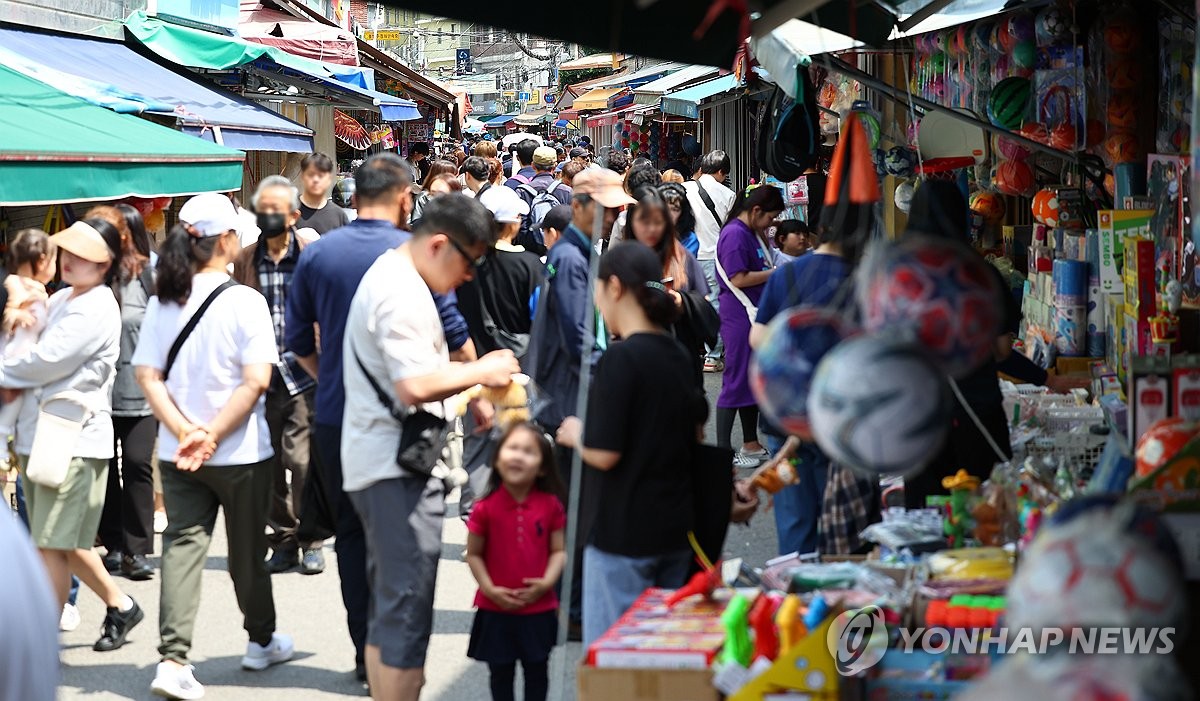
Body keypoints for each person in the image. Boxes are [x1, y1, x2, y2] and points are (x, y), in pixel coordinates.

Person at [285, 153, 472, 684]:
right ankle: (391, 659)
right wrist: (482, 386)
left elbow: (297, 340)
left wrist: (334, 379)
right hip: (400, 421)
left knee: (351, 535)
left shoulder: (318, 253)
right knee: (400, 549)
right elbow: (455, 334)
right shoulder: (416, 253)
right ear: (405, 198)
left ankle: (364, 650)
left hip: (334, 417)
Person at [341, 194, 519, 701]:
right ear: (440, 244)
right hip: (393, 470)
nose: (468, 278)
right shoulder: (400, 290)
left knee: (389, 609)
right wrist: (481, 372)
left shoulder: (396, 276)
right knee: (405, 612)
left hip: (382, 462)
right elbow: (413, 386)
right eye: (469, 263)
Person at [134, 194, 291, 699]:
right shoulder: (246, 301)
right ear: (226, 240)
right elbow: (256, 381)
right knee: (248, 552)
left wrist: (185, 431)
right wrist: (213, 434)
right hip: (241, 451)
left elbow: (147, 376)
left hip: (177, 451)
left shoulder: (163, 298)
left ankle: (172, 660)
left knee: (181, 547)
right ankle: (260, 640)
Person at [0, 219, 145, 652]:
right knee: (56, 538)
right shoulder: (62, 296)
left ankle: (41, 638)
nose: (72, 260)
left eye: (85, 257)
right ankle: (119, 604)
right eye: (68, 252)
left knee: (51, 541)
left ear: (105, 266)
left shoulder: (97, 305)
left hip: (73, 436)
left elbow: (46, 359)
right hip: (39, 434)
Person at [555, 242, 708, 646]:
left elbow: (605, 454)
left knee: (617, 657)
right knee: (661, 655)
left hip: (623, 533)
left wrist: (574, 433)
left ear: (616, 287)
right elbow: (696, 432)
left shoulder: (619, 360)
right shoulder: (676, 353)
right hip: (674, 526)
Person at [528, 168, 635, 639]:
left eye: (616, 210)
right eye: (606, 209)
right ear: (580, 208)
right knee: (577, 510)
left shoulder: (574, 252)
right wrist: (613, 384)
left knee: (574, 505)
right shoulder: (572, 257)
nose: (613, 217)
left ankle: (570, 606)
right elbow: (579, 339)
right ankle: (571, 611)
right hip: (573, 398)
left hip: (568, 394)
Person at [232, 176, 324, 576]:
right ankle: (282, 540)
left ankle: (310, 538)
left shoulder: (311, 255)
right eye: (262, 210)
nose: (268, 217)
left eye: (275, 210)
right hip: (259, 374)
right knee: (266, 463)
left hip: (303, 372)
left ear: (293, 215)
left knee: (301, 461)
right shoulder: (245, 259)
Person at [749, 214, 853, 556]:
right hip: (841, 418)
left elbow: (758, 337)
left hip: (786, 414)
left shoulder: (788, 273)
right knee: (840, 516)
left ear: (816, 234)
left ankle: (794, 597)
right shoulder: (860, 280)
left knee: (794, 516)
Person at [466, 423, 566, 701]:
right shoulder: (484, 507)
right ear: (496, 459)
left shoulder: (551, 505)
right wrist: (489, 589)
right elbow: (473, 554)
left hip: (538, 608)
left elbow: (559, 551)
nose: (518, 456)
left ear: (543, 467)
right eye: (512, 448)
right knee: (500, 674)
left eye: (529, 451)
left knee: (537, 672)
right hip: (495, 607)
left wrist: (547, 582)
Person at [85, 205, 158, 582]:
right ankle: (114, 543)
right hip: (97, 390)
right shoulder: (90, 275)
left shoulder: (147, 274)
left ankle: (138, 550)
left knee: (136, 463)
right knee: (103, 469)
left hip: (141, 388)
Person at [715, 185, 783, 468]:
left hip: (752, 313)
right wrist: (777, 274)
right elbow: (739, 278)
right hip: (741, 315)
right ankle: (721, 451)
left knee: (748, 380)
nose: (772, 224)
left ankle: (750, 442)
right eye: (771, 218)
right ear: (756, 211)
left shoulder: (749, 232)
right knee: (735, 381)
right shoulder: (734, 234)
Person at [623, 187, 715, 386]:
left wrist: (682, 301)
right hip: (635, 360)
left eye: (657, 221)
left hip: (679, 355)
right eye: (644, 221)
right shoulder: (621, 259)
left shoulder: (682, 256)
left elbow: (705, 305)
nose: (651, 229)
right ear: (632, 221)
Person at [457, 186, 545, 361]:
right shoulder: (530, 265)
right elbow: (541, 318)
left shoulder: (466, 262)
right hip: (517, 361)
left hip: (473, 359)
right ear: (513, 223)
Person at [685, 151, 736, 373]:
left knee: (686, 301)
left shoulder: (685, 189)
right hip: (713, 256)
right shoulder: (728, 195)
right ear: (721, 172)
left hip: (685, 255)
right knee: (714, 304)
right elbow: (729, 230)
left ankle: (689, 349)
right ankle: (712, 356)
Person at [513, 146, 572, 254]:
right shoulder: (567, 191)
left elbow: (521, 229)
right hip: (561, 251)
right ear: (555, 166)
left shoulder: (522, 192)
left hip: (531, 254)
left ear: (533, 166)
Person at [297, 153, 351, 235]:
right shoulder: (289, 210)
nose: (316, 180)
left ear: (329, 178)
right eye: (311, 174)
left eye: (321, 176)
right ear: (302, 176)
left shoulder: (339, 216)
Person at [659, 182, 700, 258]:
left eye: (675, 209)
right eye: (664, 208)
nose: (669, 214)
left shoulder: (689, 240)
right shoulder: (646, 232)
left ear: (682, 212)